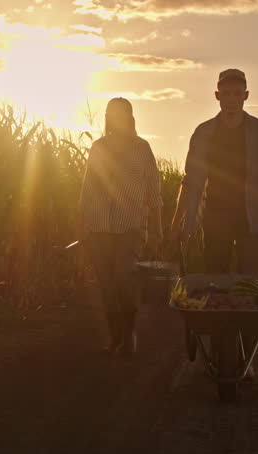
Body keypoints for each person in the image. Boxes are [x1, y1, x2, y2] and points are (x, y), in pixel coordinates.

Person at [168, 68, 258, 272]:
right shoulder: (203, 132)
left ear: (246, 95)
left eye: (237, 93)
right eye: (226, 93)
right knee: (215, 278)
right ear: (217, 96)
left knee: (248, 280)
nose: (232, 99)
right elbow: (190, 182)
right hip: (215, 218)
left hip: (252, 219)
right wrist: (177, 222)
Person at [78, 97, 164, 356]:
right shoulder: (98, 148)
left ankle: (129, 334)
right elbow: (87, 188)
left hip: (131, 227)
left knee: (124, 277)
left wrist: (157, 229)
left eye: (121, 114)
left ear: (130, 117)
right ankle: (116, 338)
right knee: (106, 284)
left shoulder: (142, 148)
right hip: (99, 226)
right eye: (111, 114)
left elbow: (153, 190)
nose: (116, 118)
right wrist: (82, 224)